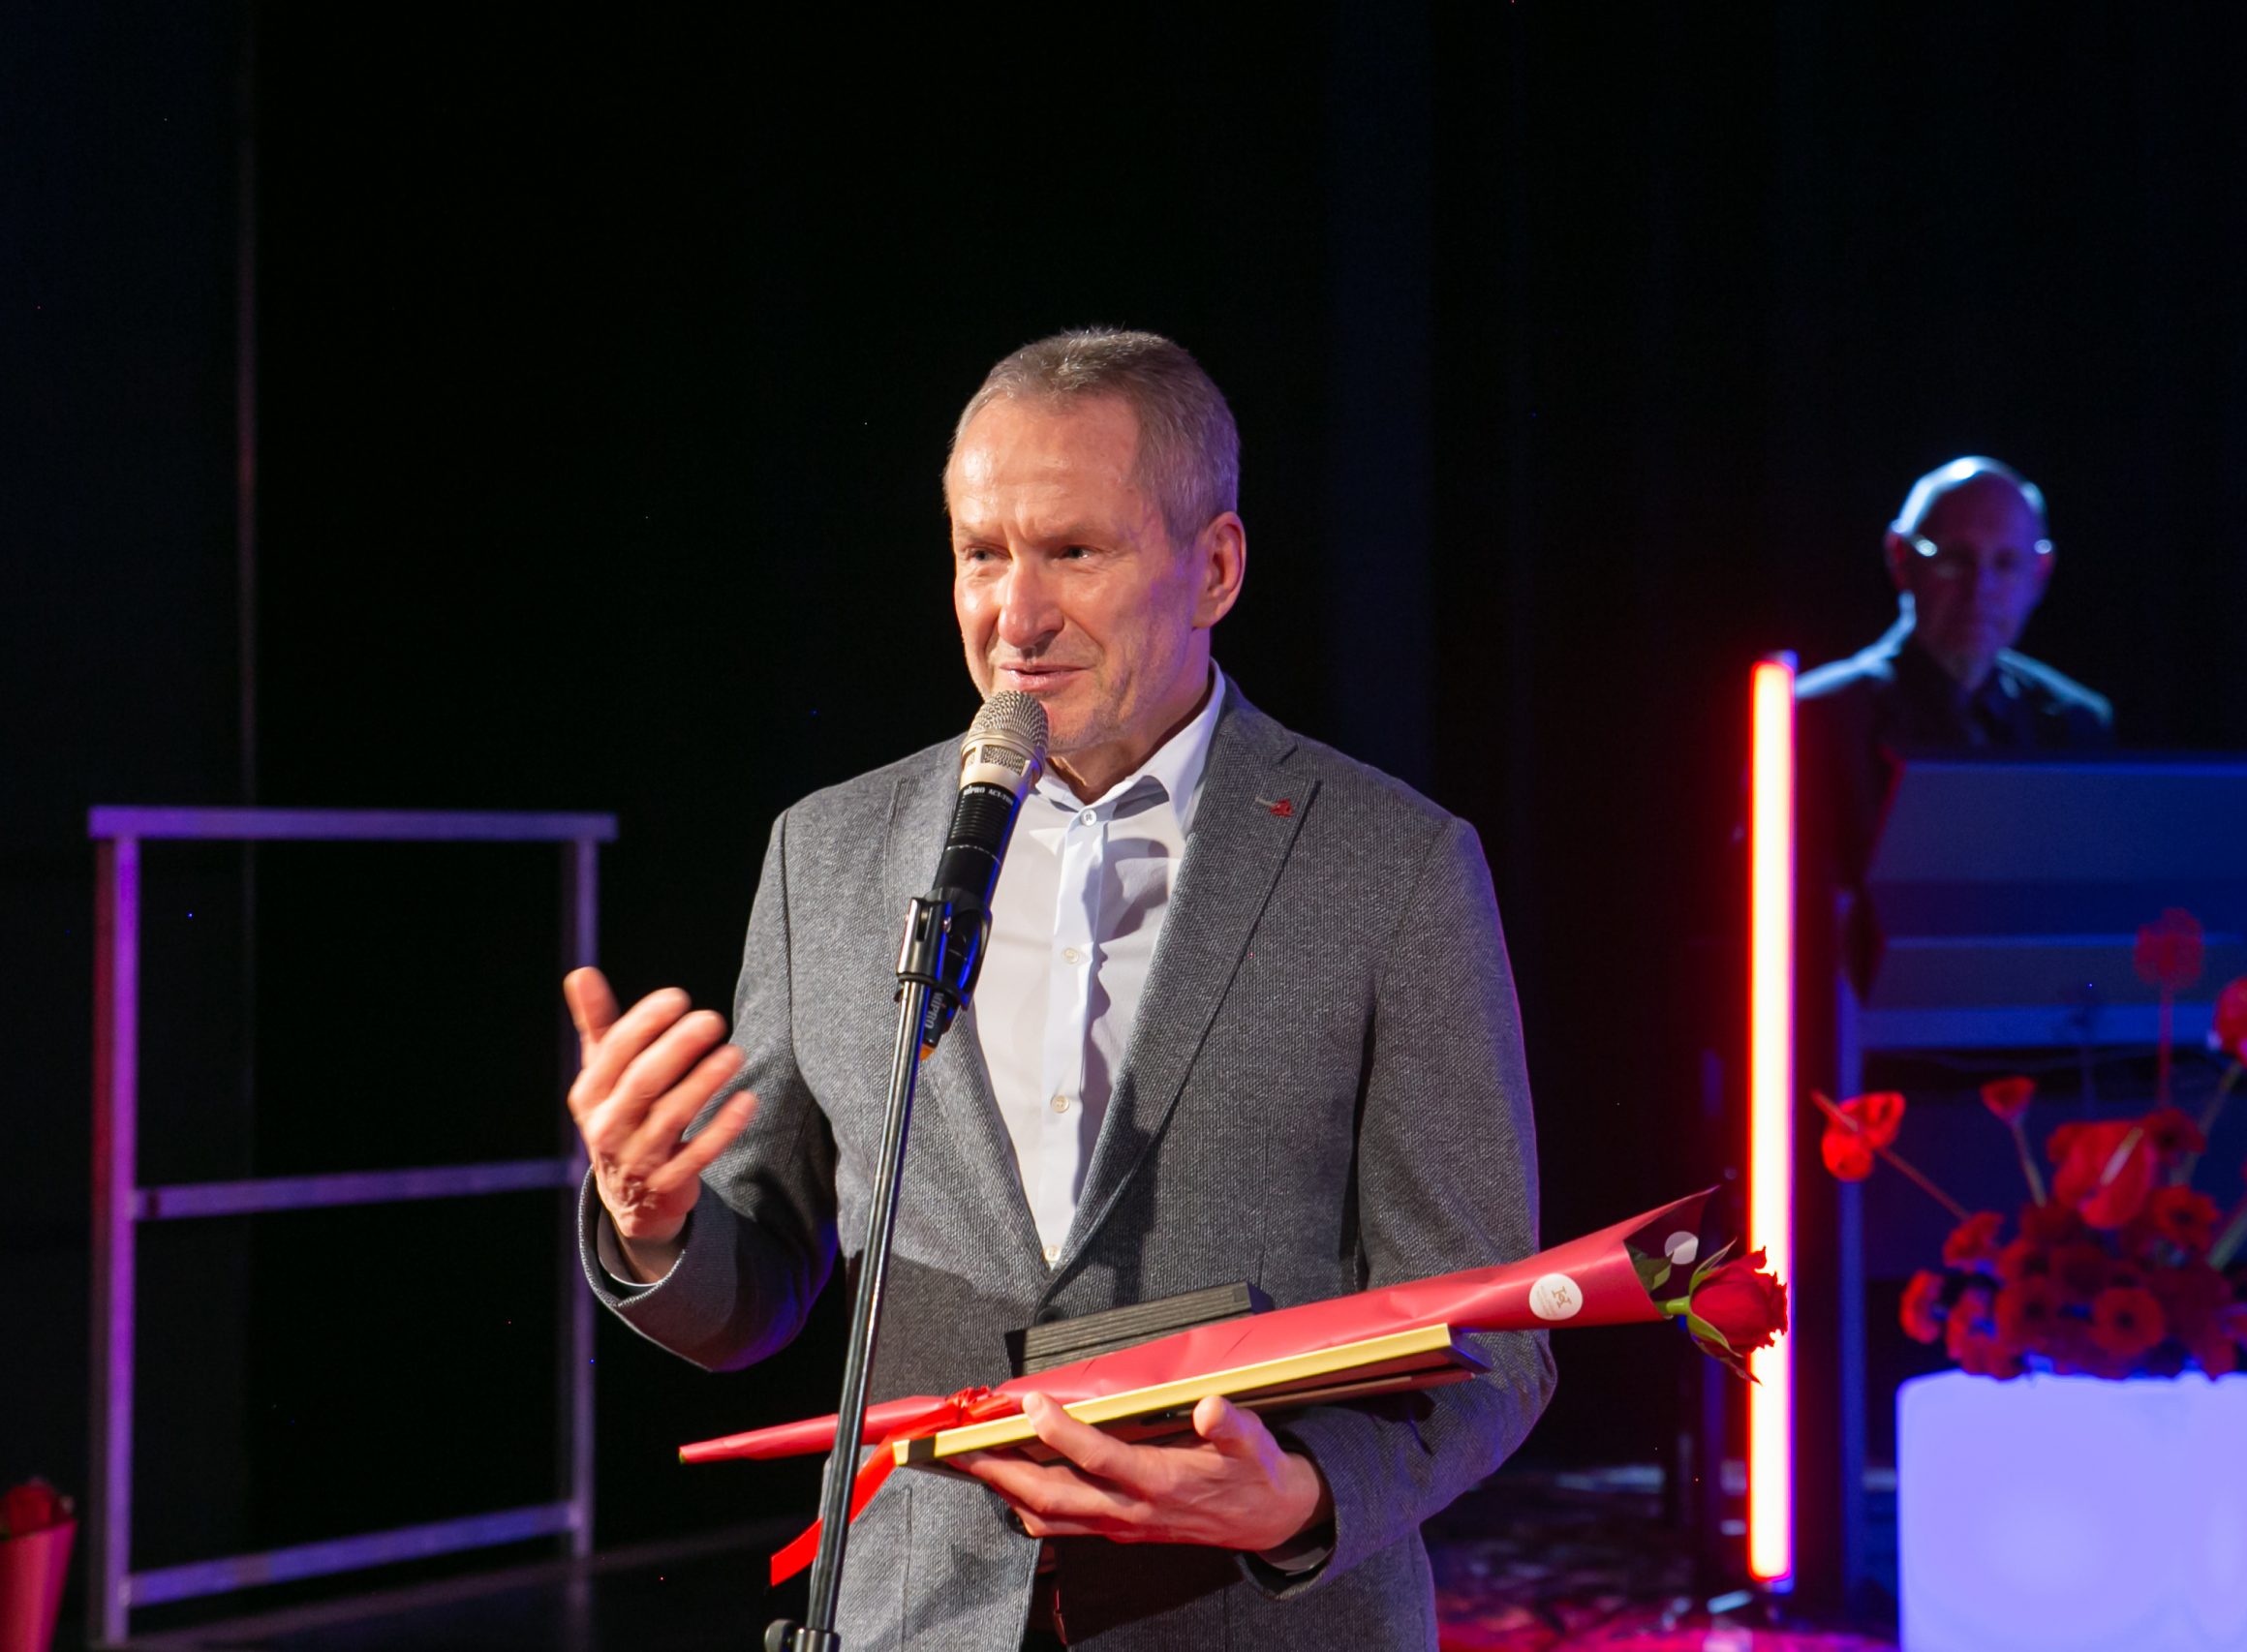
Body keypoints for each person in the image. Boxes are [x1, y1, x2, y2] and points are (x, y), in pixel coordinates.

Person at [561, 328, 1550, 1651]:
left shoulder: (1391, 865)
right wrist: (653, 1225)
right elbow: (758, 1289)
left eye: (1074, 551)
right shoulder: (830, 852)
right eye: (982, 553)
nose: (1014, 618)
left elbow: (1493, 1328)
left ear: (1214, 567)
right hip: (914, 1620)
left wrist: (1303, 1495)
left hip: (1251, 1617)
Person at [1796, 455, 2114, 901]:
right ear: (1900, 557)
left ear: (2040, 574)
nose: (1979, 589)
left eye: (2006, 563)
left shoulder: (2073, 724)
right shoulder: (1819, 720)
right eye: (1954, 559)